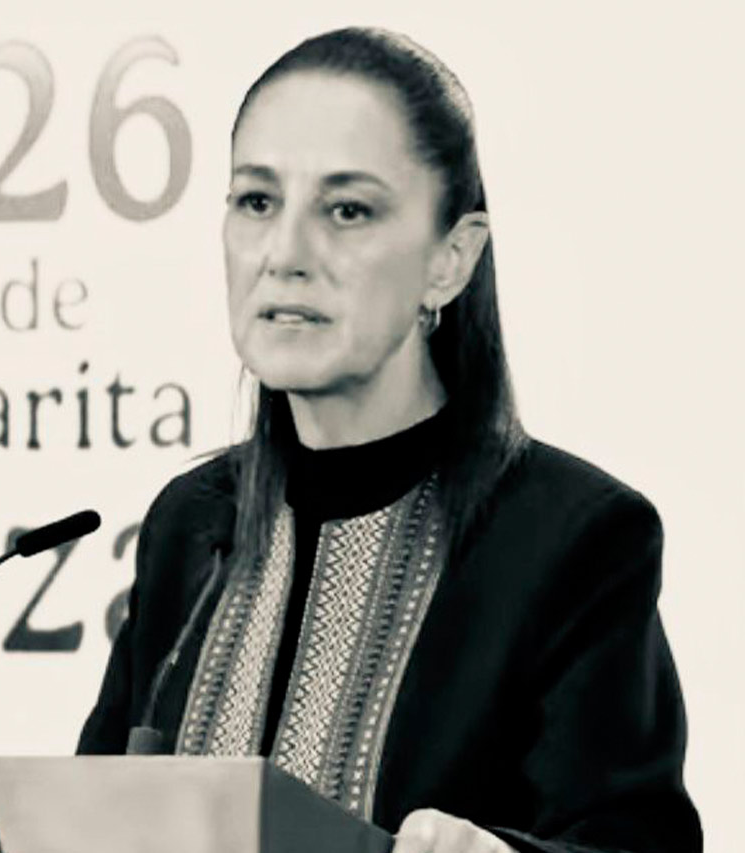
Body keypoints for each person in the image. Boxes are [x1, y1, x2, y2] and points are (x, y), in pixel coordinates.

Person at [75, 27, 701, 853]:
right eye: (257, 201)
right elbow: (83, 820)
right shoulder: (190, 520)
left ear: (451, 259)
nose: (285, 255)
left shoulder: (574, 539)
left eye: (348, 210)